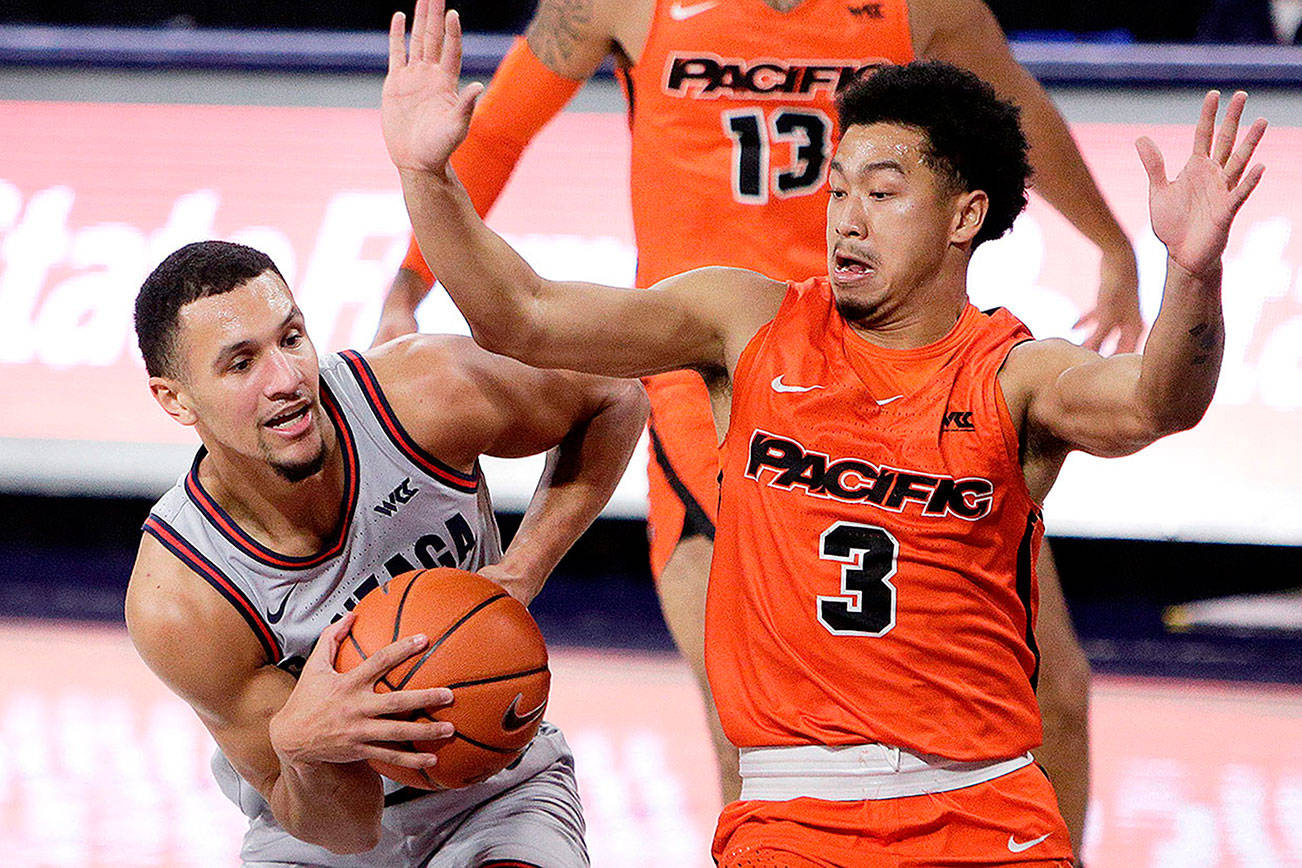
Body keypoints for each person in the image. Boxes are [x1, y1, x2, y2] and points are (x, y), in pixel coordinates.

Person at [380, 1, 1266, 863]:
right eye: (837, 187)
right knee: (743, 714)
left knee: (1056, 689)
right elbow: (523, 312)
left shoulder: (1013, 370)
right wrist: (425, 181)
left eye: (879, 192)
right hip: (737, 407)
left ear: (964, 216)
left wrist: (1183, 270)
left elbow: (1157, 402)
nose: (842, 213)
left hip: (982, 805)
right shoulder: (737, 318)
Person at [124, 240, 648, 866]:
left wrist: (521, 570)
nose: (288, 381)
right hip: (317, 835)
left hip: (496, 791)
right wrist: (302, 745)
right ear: (175, 399)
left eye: (291, 339)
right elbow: (345, 832)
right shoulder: (182, 600)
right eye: (241, 364)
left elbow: (615, 397)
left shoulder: (423, 394)